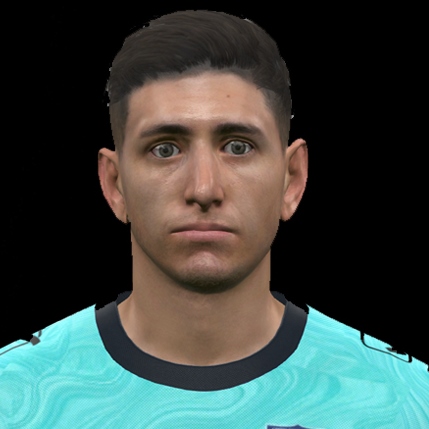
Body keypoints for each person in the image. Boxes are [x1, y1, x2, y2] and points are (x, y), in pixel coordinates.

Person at [1, 10, 427, 428]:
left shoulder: (406, 401)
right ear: (115, 184)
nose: (204, 189)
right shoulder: (13, 396)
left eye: (238, 147)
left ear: (292, 179)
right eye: (165, 149)